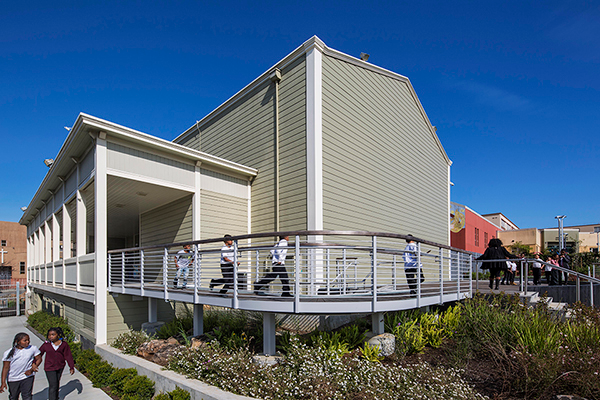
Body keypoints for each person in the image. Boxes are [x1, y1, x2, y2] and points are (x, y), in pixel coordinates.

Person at [0, 332, 42, 400]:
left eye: (28, 340)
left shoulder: (32, 348)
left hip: (27, 377)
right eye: (25, 340)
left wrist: (32, 369)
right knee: (14, 397)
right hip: (13, 379)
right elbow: (5, 367)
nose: (27, 342)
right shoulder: (9, 353)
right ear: (17, 341)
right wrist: (3, 382)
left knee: (27, 396)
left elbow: (39, 358)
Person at [38, 327, 75, 400]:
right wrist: (34, 364)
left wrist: (71, 367)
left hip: (60, 366)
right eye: (49, 335)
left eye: (53, 335)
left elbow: (68, 356)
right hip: (49, 368)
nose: (50, 337)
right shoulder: (46, 345)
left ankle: (56, 397)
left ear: (58, 335)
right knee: (53, 385)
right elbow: (38, 354)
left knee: (56, 383)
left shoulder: (64, 344)